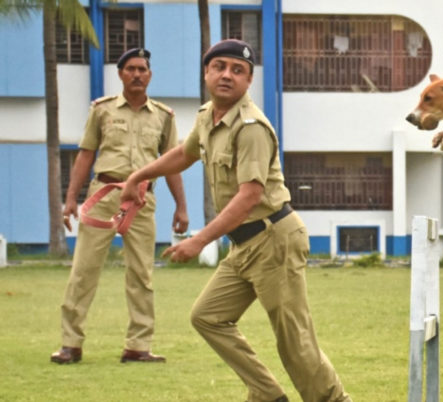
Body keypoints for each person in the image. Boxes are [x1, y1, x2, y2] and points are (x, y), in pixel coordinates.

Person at [120, 39, 351, 402]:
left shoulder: (251, 127)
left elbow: (250, 196)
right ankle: (267, 394)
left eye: (237, 70)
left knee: (296, 345)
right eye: (219, 67)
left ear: (248, 81)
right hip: (245, 244)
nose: (227, 75)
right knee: (207, 316)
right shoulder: (207, 116)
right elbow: (183, 153)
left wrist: (199, 240)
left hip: (274, 238)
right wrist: (137, 177)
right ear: (207, 72)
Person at [51, 48, 189, 364]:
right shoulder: (102, 110)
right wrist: (71, 198)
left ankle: (138, 346)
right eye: (130, 69)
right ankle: (70, 345)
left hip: (142, 199)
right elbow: (85, 154)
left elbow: (172, 164)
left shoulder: (163, 116)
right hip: (104, 195)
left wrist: (181, 207)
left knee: (142, 273)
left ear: (150, 75)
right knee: (83, 270)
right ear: (121, 74)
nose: (137, 74)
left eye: (142, 69)